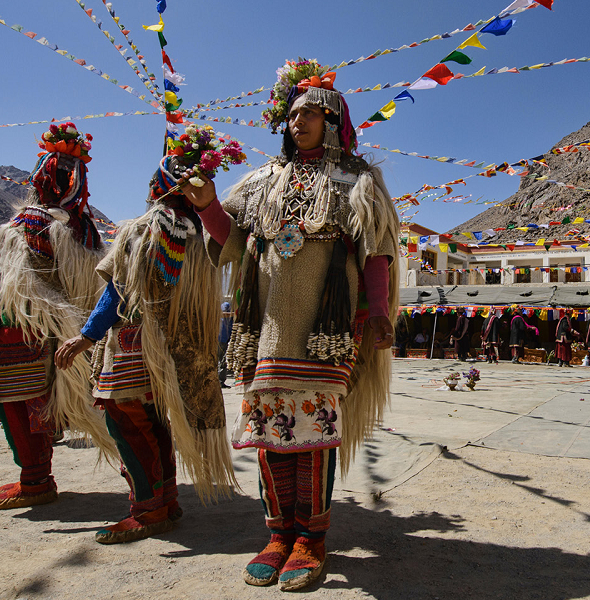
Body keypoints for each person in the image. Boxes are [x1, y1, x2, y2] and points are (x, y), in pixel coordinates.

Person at [192, 59, 399, 591]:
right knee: (268, 435)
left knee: (311, 435)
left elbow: (375, 251)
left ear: (332, 122)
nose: (298, 122)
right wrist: (209, 205)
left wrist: (377, 311)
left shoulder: (358, 180)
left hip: (324, 330)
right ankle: (277, 533)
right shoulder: (262, 181)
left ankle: (312, 538)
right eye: (292, 114)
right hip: (266, 329)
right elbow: (233, 240)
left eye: (310, 113)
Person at [55, 153, 241, 544]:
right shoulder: (202, 232)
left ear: (157, 185)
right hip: (180, 346)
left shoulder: (141, 229)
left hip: (134, 343)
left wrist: (87, 335)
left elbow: (118, 289)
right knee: (155, 422)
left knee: (126, 419)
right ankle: (166, 500)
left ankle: (149, 509)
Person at [0, 123, 113, 511]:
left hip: (19, 333)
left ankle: (35, 480)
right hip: (56, 331)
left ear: (41, 177)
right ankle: (39, 477)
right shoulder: (83, 230)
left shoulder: (30, 223)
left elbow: (15, 282)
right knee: (41, 405)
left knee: (18, 407)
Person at [219, 300, 234, 387]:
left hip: (223, 338)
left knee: (221, 359)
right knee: (222, 360)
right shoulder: (226, 316)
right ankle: (220, 381)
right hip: (223, 339)